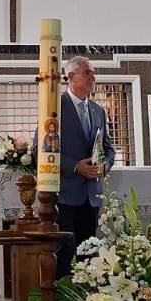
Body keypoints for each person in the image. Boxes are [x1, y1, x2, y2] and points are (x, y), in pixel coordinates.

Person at [58, 57, 115, 276]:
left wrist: (104, 166)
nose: (93, 77)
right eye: (88, 72)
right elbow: (41, 150)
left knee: (90, 251)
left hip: (91, 194)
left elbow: (109, 148)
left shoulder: (98, 110)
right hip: (66, 194)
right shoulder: (55, 107)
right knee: (65, 251)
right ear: (71, 77)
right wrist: (75, 167)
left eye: (94, 72)